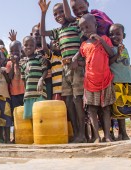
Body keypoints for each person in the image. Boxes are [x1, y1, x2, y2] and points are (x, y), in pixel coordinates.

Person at [39, 0, 86, 143]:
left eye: (61, 12)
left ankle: (82, 134)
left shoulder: (75, 24)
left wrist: (76, 59)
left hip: (76, 66)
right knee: (69, 101)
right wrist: (43, 13)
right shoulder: (58, 31)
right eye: (55, 14)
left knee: (78, 100)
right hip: (65, 68)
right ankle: (76, 132)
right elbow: (42, 32)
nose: (59, 15)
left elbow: (82, 44)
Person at [76, 14, 116, 143]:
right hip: (90, 81)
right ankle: (97, 137)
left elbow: (111, 54)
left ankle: (108, 136)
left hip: (105, 79)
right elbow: (84, 59)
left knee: (106, 109)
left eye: (87, 26)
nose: (85, 30)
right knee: (92, 109)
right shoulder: (83, 45)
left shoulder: (104, 39)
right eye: (82, 28)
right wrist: (74, 60)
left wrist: (100, 40)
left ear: (96, 26)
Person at [20, 36, 51, 120]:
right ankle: (34, 133)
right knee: (30, 116)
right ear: (22, 47)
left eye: (31, 45)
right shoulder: (22, 62)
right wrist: (25, 92)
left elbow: (45, 70)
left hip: (39, 92)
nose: (29, 47)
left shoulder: (39, 58)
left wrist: (41, 80)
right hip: (28, 94)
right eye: (26, 45)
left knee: (40, 116)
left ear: (35, 47)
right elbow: (24, 79)